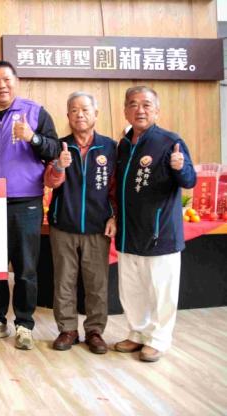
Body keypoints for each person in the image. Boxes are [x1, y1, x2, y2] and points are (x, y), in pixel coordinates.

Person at [0, 61, 60, 350]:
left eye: (6, 79)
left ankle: (24, 324)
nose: (1, 85)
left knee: (26, 268)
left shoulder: (35, 112)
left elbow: (55, 149)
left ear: (16, 82)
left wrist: (33, 137)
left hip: (26, 202)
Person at [114, 86, 196, 362]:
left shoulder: (170, 141)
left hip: (160, 233)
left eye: (146, 104)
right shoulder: (123, 145)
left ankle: (159, 340)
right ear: (125, 111)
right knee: (132, 290)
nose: (140, 110)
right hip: (128, 233)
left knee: (162, 291)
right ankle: (137, 333)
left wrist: (180, 167)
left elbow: (189, 180)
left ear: (157, 111)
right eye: (133, 104)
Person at [44, 91, 117, 354]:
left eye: (85, 110)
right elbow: (49, 182)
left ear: (95, 114)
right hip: (63, 224)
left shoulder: (110, 147)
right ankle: (67, 330)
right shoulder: (58, 146)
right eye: (74, 110)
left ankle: (95, 331)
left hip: (98, 226)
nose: (80, 115)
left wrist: (115, 216)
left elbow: (116, 188)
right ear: (68, 116)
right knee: (64, 280)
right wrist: (59, 166)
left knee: (97, 282)